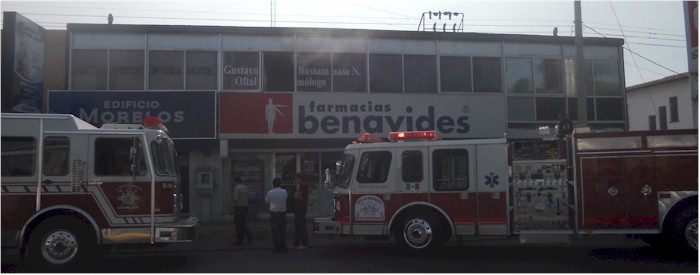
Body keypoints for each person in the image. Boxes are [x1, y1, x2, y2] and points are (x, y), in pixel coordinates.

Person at [265, 177, 288, 252]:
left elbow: (266, 202)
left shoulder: (270, 192)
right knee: (282, 230)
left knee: (275, 231)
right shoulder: (284, 191)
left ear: (273, 184)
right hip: (282, 213)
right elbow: (286, 199)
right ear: (280, 184)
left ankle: (277, 246)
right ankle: (283, 245)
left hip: (273, 213)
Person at [232, 177, 253, 245]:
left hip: (238, 208)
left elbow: (235, 200)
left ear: (235, 181)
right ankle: (248, 235)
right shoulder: (245, 187)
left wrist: (232, 209)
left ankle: (240, 239)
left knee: (238, 225)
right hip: (245, 207)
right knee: (243, 223)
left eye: (234, 181)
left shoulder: (237, 188)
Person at [292, 172, 309, 249]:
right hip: (299, 207)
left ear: (300, 179)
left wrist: (296, 195)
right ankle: (297, 243)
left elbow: (296, 196)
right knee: (298, 226)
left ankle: (304, 244)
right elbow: (297, 196)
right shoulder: (300, 186)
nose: (295, 180)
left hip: (301, 208)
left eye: (296, 178)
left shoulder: (303, 186)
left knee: (301, 226)